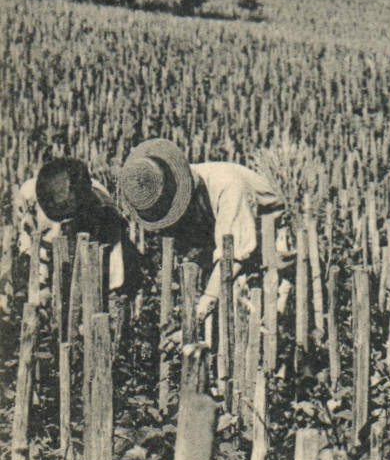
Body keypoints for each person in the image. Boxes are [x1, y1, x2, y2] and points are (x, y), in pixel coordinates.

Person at [115, 138, 289, 322]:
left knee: (249, 314)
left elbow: (235, 256)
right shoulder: (170, 191)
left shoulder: (228, 186)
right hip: (224, 235)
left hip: (267, 236)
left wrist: (203, 306)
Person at [12, 158, 141, 305]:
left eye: (69, 219)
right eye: (58, 217)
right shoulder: (31, 194)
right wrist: (40, 285)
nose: (63, 226)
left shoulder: (106, 217)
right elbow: (29, 242)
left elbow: (113, 278)